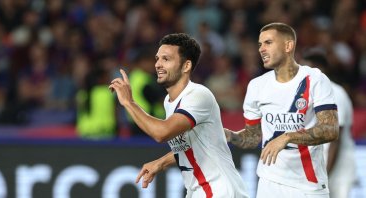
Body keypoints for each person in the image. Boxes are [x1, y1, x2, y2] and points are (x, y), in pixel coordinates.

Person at [109, 33, 249, 198]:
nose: (158, 64)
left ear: (186, 66)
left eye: (166, 59)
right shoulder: (170, 101)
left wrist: (128, 103)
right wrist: (161, 162)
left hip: (219, 191)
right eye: (157, 58)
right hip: (199, 191)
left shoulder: (198, 95)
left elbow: (162, 133)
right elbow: (190, 145)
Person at [224, 22, 339, 198]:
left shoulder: (315, 79)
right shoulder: (256, 86)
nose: (261, 49)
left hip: (308, 185)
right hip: (269, 182)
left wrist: (287, 137)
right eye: (260, 44)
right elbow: (253, 137)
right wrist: (232, 136)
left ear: (288, 45)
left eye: (268, 43)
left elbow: (331, 130)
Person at [302, 50, 356, 198]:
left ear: (319, 69)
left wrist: (324, 176)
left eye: (307, 68)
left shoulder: (335, 93)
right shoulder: (311, 95)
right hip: (320, 168)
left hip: (338, 169)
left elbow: (334, 141)